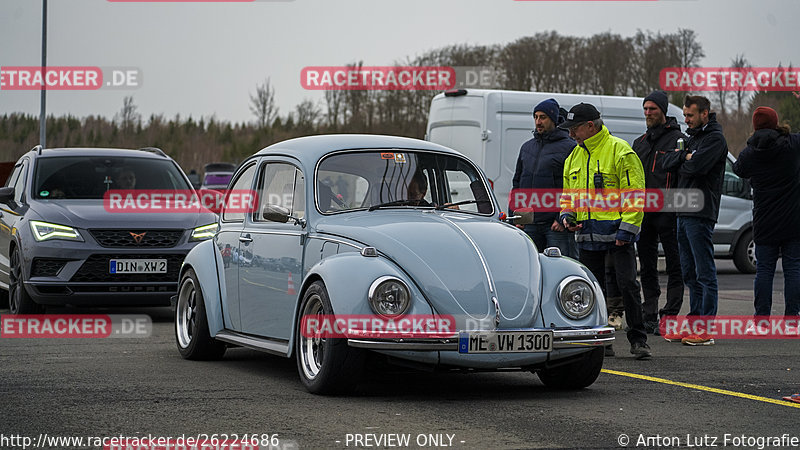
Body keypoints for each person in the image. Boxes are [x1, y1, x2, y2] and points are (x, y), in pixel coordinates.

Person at [559, 103, 651, 359]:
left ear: (590, 126)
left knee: (628, 286)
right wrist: (567, 216)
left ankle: (638, 339)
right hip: (587, 237)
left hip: (617, 236)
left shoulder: (621, 152)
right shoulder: (573, 157)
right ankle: (599, 340)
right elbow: (568, 196)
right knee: (593, 290)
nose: (570, 135)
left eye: (574, 129)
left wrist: (627, 231)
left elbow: (634, 196)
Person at [660, 95, 728, 346]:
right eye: (685, 115)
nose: (685, 119)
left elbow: (696, 168)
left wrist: (685, 158)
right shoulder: (691, 138)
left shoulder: (715, 139)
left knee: (704, 272)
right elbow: (666, 162)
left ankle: (705, 329)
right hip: (682, 210)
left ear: (705, 114)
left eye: (690, 115)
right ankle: (693, 324)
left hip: (700, 212)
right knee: (689, 271)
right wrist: (684, 157)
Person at [733, 107, 800, 318]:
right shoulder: (793, 144)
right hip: (793, 220)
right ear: (776, 122)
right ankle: (792, 319)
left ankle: (761, 319)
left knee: (764, 271)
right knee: (793, 269)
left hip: (765, 221)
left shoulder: (750, 153)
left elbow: (738, 169)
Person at [632, 91, 685, 335]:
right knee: (648, 266)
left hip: (670, 212)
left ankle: (670, 314)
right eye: (645, 109)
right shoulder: (640, 143)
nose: (648, 113)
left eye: (652, 109)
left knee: (675, 264)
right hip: (644, 213)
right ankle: (649, 313)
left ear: (663, 111)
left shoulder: (679, 141)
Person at [511, 99, 578, 258]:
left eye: (543, 117)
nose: (538, 122)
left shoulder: (570, 147)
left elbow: (574, 186)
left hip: (555, 226)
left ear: (553, 119)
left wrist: (560, 218)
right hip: (530, 224)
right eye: (535, 117)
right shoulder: (527, 147)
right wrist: (516, 215)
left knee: (563, 267)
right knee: (529, 266)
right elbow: (518, 183)